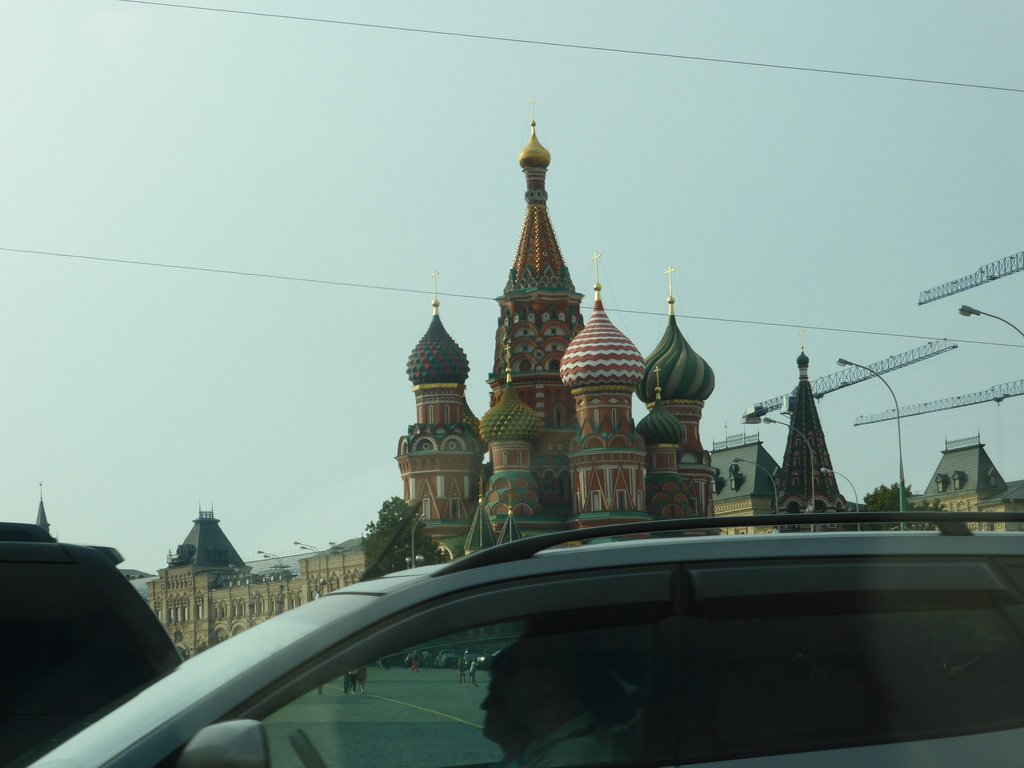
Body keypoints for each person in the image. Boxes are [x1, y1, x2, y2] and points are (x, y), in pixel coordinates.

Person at [487, 632, 633, 768]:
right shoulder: (548, 747)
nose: (499, 682)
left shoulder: (571, 759)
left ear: (549, 679)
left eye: (510, 668)